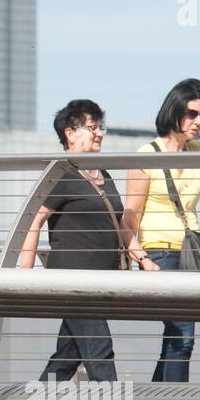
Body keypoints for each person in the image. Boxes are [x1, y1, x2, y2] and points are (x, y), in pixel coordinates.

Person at [19, 100, 158, 381]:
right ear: (70, 133)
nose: (99, 134)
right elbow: (35, 219)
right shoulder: (60, 173)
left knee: (68, 354)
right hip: (72, 279)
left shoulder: (102, 174)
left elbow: (118, 221)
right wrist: (24, 269)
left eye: (100, 127)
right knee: (99, 347)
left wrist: (142, 257)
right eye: (91, 128)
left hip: (101, 278)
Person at [121, 78, 200, 382]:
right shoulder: (146, 156)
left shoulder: (198, 150)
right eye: (191, 113)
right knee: (182, 333)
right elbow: (129, 218)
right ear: (173, 111)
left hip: (192, 255)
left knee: (178, 333)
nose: (196, 121)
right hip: (159, 254)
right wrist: (142, 259)